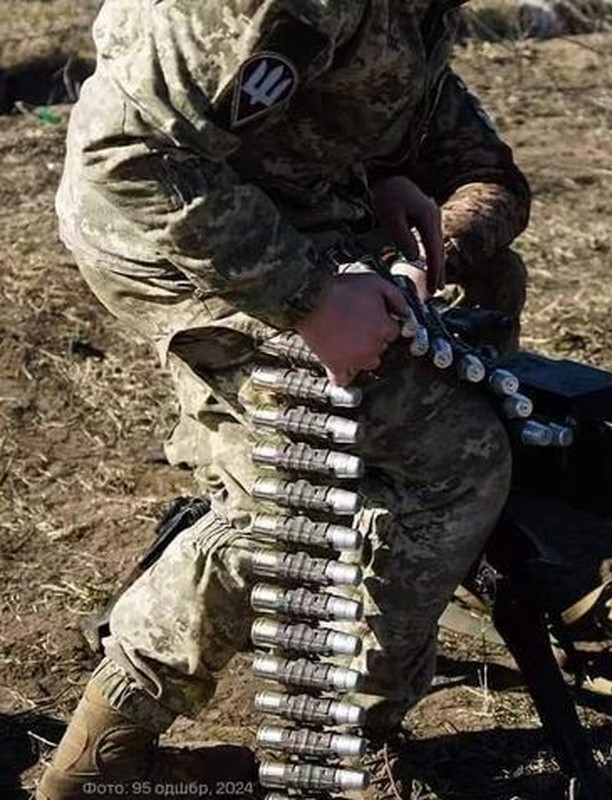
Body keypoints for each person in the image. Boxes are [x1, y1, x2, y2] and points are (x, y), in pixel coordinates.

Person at [38, 2, 530, 798]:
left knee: (480, 309)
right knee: (443, 462)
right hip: (168, 237)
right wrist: (310, 300)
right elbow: (125, 158)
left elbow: (486, 169)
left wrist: (416, 221)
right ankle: (338, 733)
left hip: (277, 211)